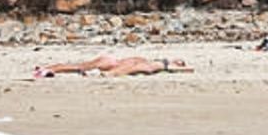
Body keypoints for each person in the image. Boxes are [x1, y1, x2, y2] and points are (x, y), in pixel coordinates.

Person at [31, 54, 191, 78]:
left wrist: (182, 67)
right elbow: (133, 68)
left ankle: (48, 68)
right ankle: (49, 68)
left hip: (115, 61)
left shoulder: (164, 64)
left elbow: (189, 69)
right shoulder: (156, 64)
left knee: (80, 66)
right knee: (82, 66)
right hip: (118, 65)